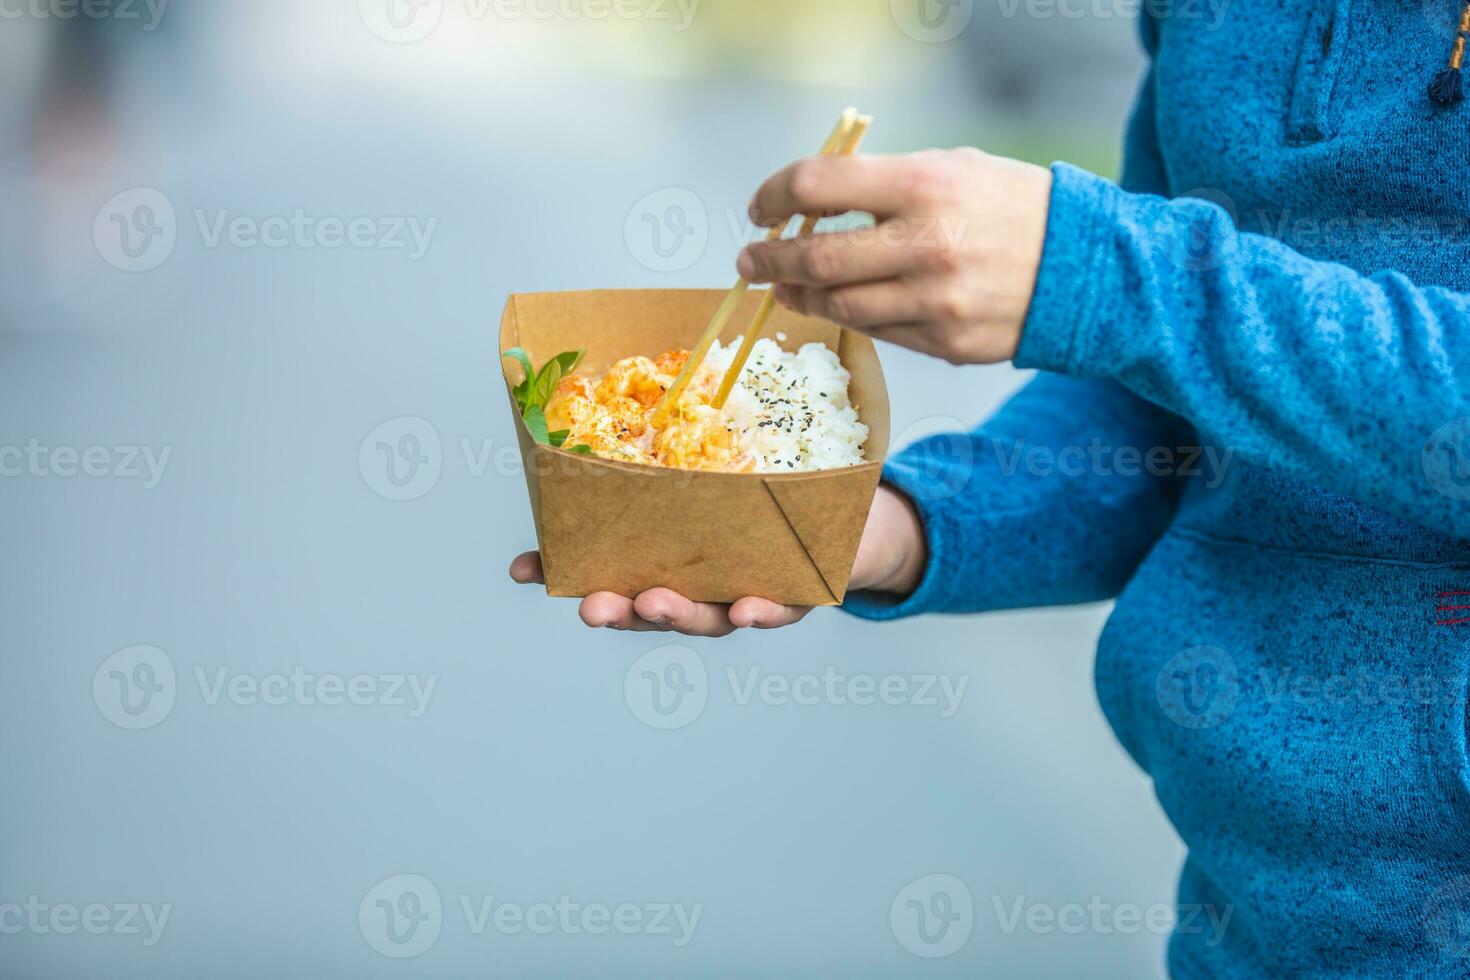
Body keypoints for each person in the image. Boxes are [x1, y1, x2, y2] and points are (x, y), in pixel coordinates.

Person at [513, 5, 1470, 975]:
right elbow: (1170, 409)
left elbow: (1157, 309)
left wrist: (1101, 274)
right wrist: (879, 527)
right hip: (1246, 925)